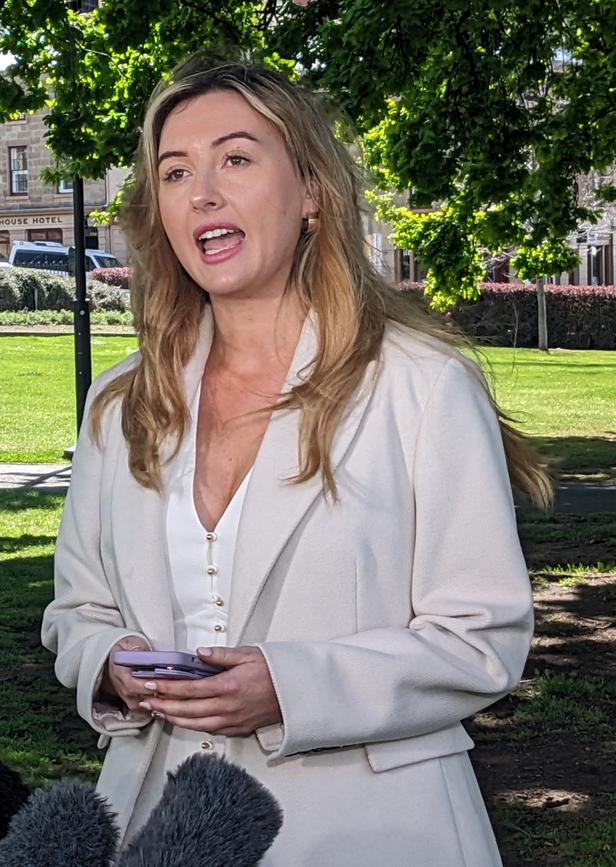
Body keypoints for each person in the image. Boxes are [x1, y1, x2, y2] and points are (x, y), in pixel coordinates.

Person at [42, 50, 551, 866]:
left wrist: (289, 685)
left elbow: (481, 639)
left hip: (377, 831)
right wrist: (110, 664)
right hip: (155, 831)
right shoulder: (120, 402)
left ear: (312, 192)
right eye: (175, 173)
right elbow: (77, 611)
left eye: (236, 159)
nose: (202, 192)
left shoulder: (422, 386)